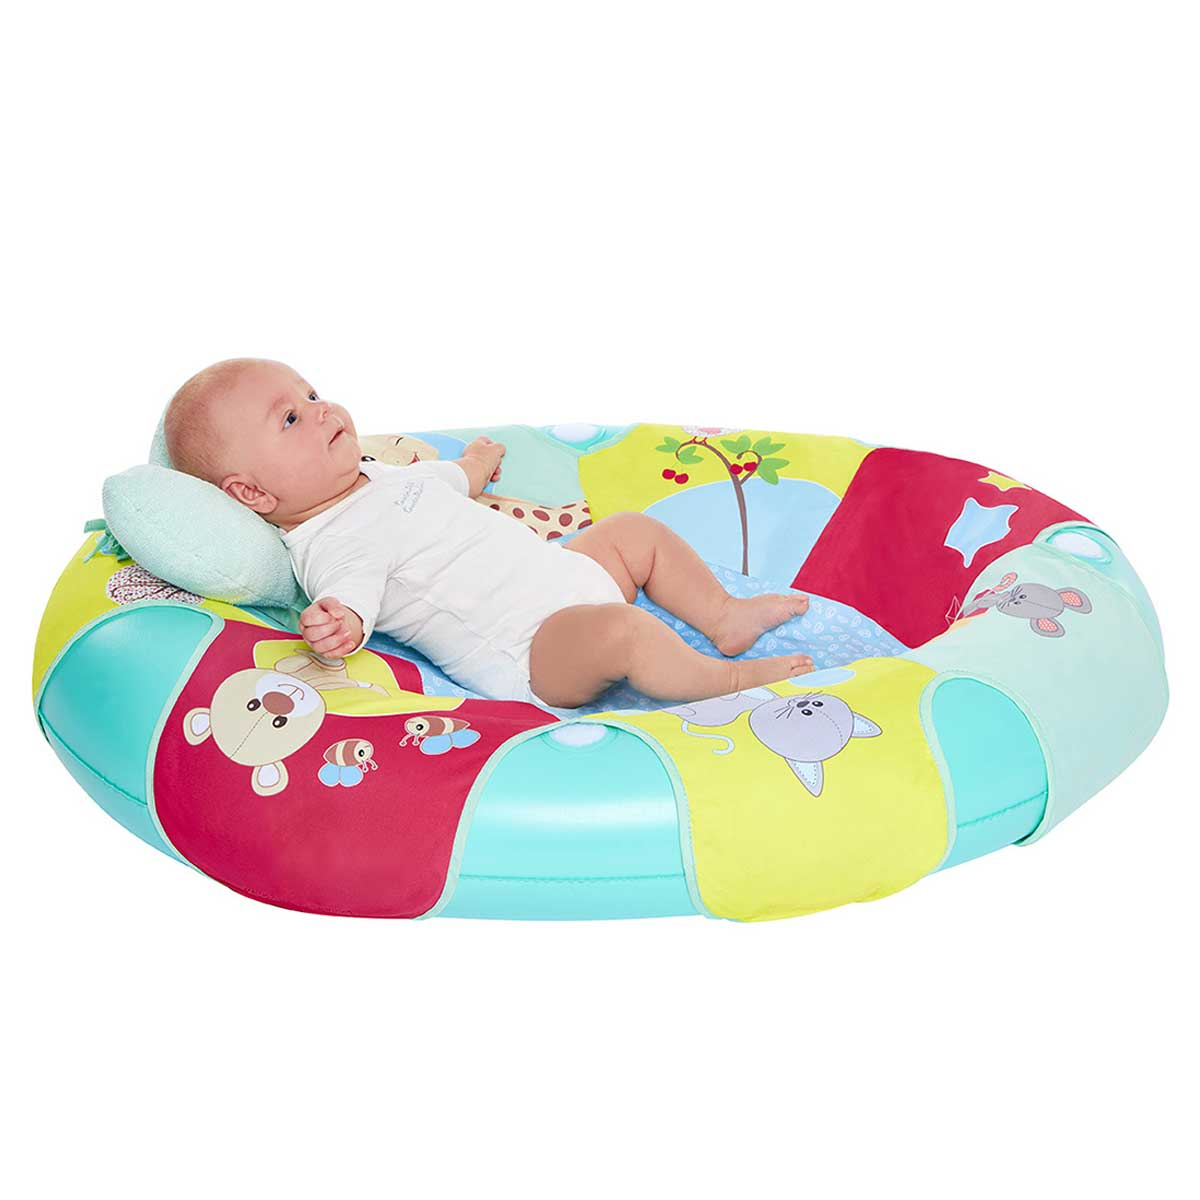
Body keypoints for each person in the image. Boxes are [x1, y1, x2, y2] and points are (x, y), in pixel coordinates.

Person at [164, 357, 814, 708]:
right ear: (252, 494)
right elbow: (349, 595)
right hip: (534, 649)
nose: (321, 410)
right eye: (289, 419)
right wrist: (338, 624)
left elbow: (444, 483)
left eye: (311, 394)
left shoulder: (374, 476)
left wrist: (475, 465)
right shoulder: (333, 539)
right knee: (627, 633)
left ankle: (723, 616)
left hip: (570, 576)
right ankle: (725, 684)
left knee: (631, 531)